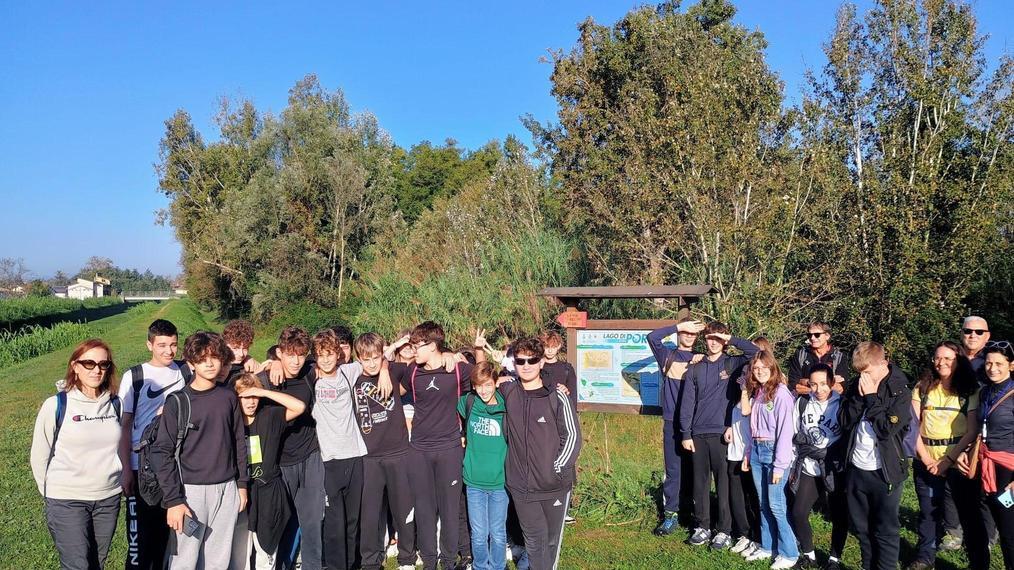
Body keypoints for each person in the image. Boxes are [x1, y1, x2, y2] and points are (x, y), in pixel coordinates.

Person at [151, 331, 249, 570]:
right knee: (184, 559)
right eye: (202, 358)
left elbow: (238, 441)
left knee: (218, 558)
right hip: (190, 494)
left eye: (215, 357)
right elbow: (161, 452)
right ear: (191, 362)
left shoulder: (228, 397)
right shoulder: (178, 401)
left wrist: (242, 485)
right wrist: (174, 500)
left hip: (226, 490)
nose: (209, 363)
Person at [31, 339, 123, 570]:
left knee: (97, 563)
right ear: (75, 366)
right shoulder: (56, 405)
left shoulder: (115, 404)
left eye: (103, 364)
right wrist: (50, 493)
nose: (97, 369)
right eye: (89, 363)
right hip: (66, 499)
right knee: (77, 565)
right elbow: (39, 454)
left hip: (108, 498)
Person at [498, 337, 581, 570]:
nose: (526, 365)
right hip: (521, 486)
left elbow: (573, 437)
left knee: (551, 542)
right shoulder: (507, 390)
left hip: (554, 484)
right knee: (534, 541)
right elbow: (477, 382)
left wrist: (557, 468)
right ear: (513, 362)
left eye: (532, 360)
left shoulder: (557, 395)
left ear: (542, 362)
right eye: (520, 360)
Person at [395, 321, 473, 570]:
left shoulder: (459, 370)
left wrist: (454, 355)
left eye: (417, 345)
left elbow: (488, 375)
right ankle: (429, 561)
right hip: (419, 449)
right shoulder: (412, 371)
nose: (413, 350)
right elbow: (387, 378)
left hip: (450, 448)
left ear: (433, 345)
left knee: (449, 509)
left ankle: (448, 561)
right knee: (425, 508)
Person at [907, 341, 987, 570]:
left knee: (969, 514)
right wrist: (926, 459)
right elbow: (913, 427)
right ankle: (925, 557)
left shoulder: (970, 390)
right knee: (928, 512)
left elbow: (972, 430)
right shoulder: (922, 388)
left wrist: (948, 460)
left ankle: (978, 561)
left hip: (958, 462)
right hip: (926, 461)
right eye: (937, 358)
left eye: (948, 358)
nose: (941, 362)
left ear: (958, 360)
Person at [679, 321, 759, 549]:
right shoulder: (695, 367)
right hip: (697, 433)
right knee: (700, 483)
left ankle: (724, 530)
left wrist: (729, 338)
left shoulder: (733, 363)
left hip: (723, 433)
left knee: (723, 484)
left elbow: (755, 351)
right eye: (710, 338)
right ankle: (702, 526)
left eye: (718, 338)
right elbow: (687, 403)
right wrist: (686, 433)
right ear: (705, 340)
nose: (713, 342)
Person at [117, 318, 189, 570]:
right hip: (141, 468)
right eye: (162, 345)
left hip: (172, 468)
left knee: (167, 536)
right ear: (149, 345)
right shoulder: (135, 376)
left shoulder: (184, 371)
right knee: (139, 542)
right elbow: (124, 426)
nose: (169, 351)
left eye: (173, 345)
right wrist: (127, 469)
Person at [839, 342, 910, 570]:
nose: (863, 378)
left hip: (884, 471)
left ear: (883, 363)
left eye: (867, 372)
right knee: (862, 529)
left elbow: (885, 430)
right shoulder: (857, 386)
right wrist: (859, 398)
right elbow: (844, 421)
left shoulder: (899, 390)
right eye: (859, 373)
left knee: (885, 530)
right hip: (857, 468)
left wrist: (870, 397)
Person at [260, 326, 324, 570]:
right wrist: (271, 363)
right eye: (289, 355)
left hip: (310, 456)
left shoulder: (309, 372)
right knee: (283, 520)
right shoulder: (266, 380)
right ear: (280, 353)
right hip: (279, 461)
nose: (296, 361)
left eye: (300, 354)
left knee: (312, 521)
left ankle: (312, 566)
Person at [353, 332, 416, 570]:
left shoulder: (394, 370)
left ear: (382, 356)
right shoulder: (352, 378)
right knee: (370, 514)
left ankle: (407, 559)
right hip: (368, 457)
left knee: (403, 510)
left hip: (399, 453)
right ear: (358, 358)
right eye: (366, 359)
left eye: (376, 358)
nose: (371, 363)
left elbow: (410, 364)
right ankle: (371, 561)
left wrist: (385, 368)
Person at [233, 373, 306, 570]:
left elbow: (299, 407)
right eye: (245, 397)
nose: (250, 402)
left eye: (254, 397)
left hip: (268, 490)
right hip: (240, 491)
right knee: (240, 552)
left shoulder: (270, 415)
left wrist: (263, 391)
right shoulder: (231, 421)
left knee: (266, 550)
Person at [311, 328, 371, 570]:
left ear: (338, 354)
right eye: (320, 354)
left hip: (355, 456)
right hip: (328, 460)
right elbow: (278, 366)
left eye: (329, 353)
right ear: (315, 356)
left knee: (352, 520)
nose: (326, 359)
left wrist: (386, 370)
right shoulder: (310, 376)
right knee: (334, 522)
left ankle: (351, 564)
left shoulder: (349, 372)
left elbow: (380, 357)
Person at [741, 351, 798, 569]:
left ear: (773, 367)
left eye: (764, 367)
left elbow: (785, 432)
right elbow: (753, 427)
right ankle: (767, 547)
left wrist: (779, 465)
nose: (759, 371)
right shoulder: (758, 392)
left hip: (775, 453)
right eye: (755, 368)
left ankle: (789, 552)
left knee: (776, 506)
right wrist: (748, 453)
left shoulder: (782, 394)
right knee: (763, 503)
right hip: (757, 450)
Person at [960, 341, 1014, 569]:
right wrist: (966, 451)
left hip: (1007, 471)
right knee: (978, 524)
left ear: (1011, 365)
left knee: (1009, 532)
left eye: (999, 364)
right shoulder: (985, 392)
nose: (993, 368)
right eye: (989, 363)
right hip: (982, 464)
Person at [646, 318, 703, 536]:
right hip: (671, 422)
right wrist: (679, 326)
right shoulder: (667, 356)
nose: (689, 336)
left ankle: (697, 515)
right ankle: (671, 514)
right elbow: (652, 337)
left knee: (697, 470)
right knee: (673, 470)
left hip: (696, 424)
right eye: (685, 332)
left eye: (692, 333)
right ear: (679, 333)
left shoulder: (702, 358)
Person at [789, 363, 847, 570]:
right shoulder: (803, 402)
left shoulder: (842, 404)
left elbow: (847, 437)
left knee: (839, 515)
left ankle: (834, 559)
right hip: (809, 466)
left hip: (833, 467)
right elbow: (795, 432)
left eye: (823, 384)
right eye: (813, 384)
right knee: (799, 512)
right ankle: (809, 555)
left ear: (832, 382)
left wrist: (831, 454)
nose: (819, 389)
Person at [458, 362, 509, 570]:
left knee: (497, 533)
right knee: (479, 534)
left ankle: (497, 566)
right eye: (479, 386)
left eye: (488, 384)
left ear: (496, 383)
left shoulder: (507, 406)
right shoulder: (469, 402)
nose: (483, 390)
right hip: (473, 481)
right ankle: (480, 566)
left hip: (499, 481)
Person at [728, 336, 765, 555]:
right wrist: (728, 426)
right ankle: (744, 534)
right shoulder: (743, 383)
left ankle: (758, 537)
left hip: (751, 452)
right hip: (735, 450)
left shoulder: (761, 393)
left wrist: (744, 390)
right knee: (737, 495)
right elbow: (735, 412)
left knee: (755, 497)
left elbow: (746, 412)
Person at [788, 322, 850, 395]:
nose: (812, 338)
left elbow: (839, 388)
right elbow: (794, 385)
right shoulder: (801, 355)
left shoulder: (839, 357)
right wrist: (828, 382)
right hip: (806, 403)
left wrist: (806, 382)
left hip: (831, 404)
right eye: (809, 335)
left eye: (817, 335)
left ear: (827, 336)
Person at [222, 320, 261, 388]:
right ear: (224, 344)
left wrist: (276, 362)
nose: (241, 354)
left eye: (245, 348)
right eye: (235, 348)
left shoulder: (248, 367)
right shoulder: (214, 366)